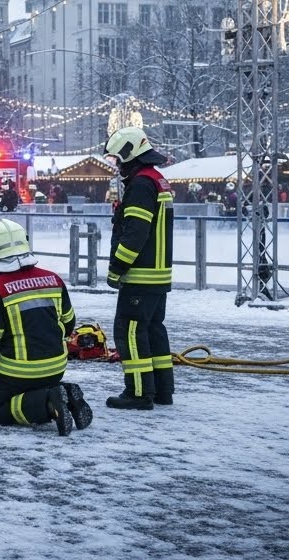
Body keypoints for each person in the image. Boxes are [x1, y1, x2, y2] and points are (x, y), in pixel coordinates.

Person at [0, 219, 93, 434]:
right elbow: (69, 323)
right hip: (56, 368)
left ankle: (48, 404)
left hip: (16, 373)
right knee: (31, 390)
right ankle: (65, 393)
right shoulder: (53, 280)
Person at [103, 126, 175, 410]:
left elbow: (135, 233)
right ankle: (162, 390)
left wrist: (117, 267)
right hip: (157, 276)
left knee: (130, 332)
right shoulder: (157, 180)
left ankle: (139, 393)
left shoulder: (141, 185)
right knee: (153, 330)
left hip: (140, 276)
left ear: (129, 154)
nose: (118, 166)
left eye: (118, 159)